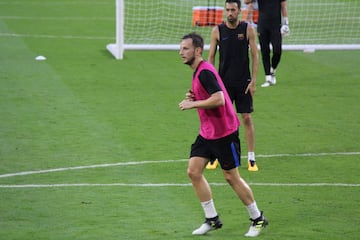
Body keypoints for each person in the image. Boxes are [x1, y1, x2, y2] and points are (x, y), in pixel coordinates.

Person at [178, 32, 268, 237]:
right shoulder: (198, 71)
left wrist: (193, 103)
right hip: (208, 132)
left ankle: (258, 219)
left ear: (198, 50)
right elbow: (211, 94)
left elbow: (219, 99)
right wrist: (196, 95)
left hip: (224, 133)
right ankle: (212, 219)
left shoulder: (204, 72)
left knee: (231, 177)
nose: (181, 52)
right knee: (193, 171)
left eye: (185, 48)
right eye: (181, 48)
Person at [208, 0, 259, 171]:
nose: (230, 13)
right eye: (227, 10)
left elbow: (255, 56)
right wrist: (211, 83)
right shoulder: (217, 31)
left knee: (246, 118)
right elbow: (211, 58)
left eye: (233, 10)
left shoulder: (247, 29)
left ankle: (251, 157)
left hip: (243, 83)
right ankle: (215, 155)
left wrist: (253, 81)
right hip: (223, 84)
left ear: (239, 11)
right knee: (220, 120)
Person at [244, 0, 289, 87]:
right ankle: (268, 77)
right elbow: (246, 2)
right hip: (262, 25)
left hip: (276, 25)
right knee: (265, 51)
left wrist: (286, 23)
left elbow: (283, 6)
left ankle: (273, 70)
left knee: (277, 50)